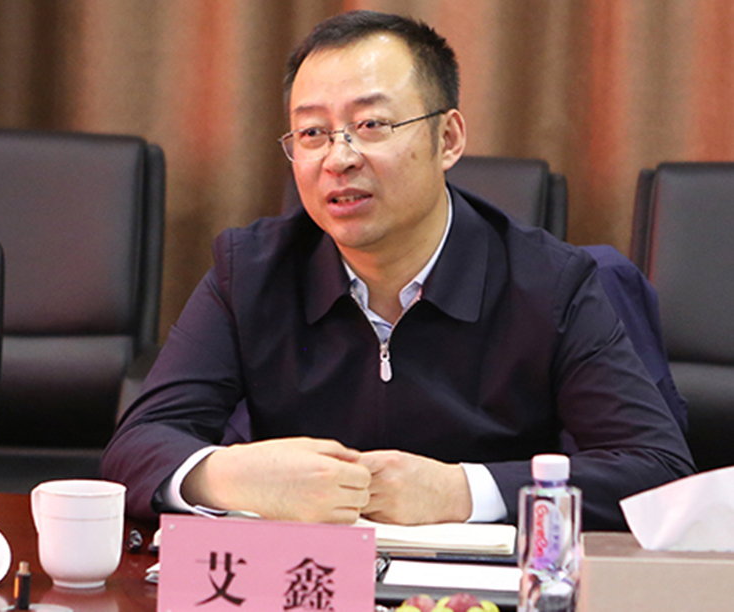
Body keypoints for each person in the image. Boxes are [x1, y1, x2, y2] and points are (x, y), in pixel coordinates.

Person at [101, 10, 694, 530]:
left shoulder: (549, 284)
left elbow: (657, 472)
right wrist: (229, 476)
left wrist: (462, 492)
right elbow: (134, 448)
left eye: (371, 126)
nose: (339, 158)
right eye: (312, 133)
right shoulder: (251, 272)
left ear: (448, 138)